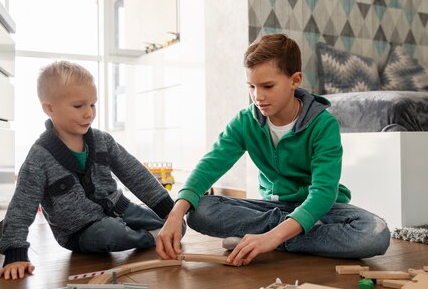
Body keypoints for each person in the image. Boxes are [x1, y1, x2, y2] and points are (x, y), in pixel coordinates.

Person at [156, 34, 390, 266]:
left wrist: (273, 237)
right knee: (200, 211)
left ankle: (268, 238)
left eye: (267, 86)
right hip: (273, 207)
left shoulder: (323, 125)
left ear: (295, 80)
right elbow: (210, 164)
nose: (258, 96)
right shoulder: (245, 121)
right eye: (251, 86)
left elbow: (323, 193)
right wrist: (175, 214)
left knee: (374, 234)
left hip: (321, 208)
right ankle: (290, 236)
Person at [0, 61, 177, 280]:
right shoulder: (39, 157)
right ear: (49, 108)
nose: (88, 113)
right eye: (79, 106)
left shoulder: (102, 141)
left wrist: (169, 210)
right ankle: (153, 238)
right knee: (112, 233)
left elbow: (135, 174)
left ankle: (153, 233)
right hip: (80, 231)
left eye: (92, 105)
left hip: (122, 209)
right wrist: (15, 252)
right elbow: (22, 206)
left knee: (177, 225)